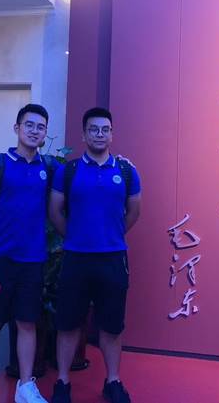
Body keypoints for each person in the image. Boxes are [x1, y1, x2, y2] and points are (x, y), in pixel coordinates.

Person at [49, 107, 141, 403]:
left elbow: (134, 211)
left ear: (112, 134)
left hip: (113, 259)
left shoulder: (126, 171)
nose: (99, 134)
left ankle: (113, 381)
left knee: (112, 326)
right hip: (76, 259)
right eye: (93, 129)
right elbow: (55, 211)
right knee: (68, 324)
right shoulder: (68, 171)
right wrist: (75, 237)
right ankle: (63, 382)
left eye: (105, 129)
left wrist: (111, 235)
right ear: (84, 134)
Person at [0, 103, 55, 403]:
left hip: (33, 260)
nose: (34, 131)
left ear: (45, 133)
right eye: (29, 125)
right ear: (17, 128)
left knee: (27, 323)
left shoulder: (49, 168)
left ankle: (25, 385)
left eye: (40, 127)